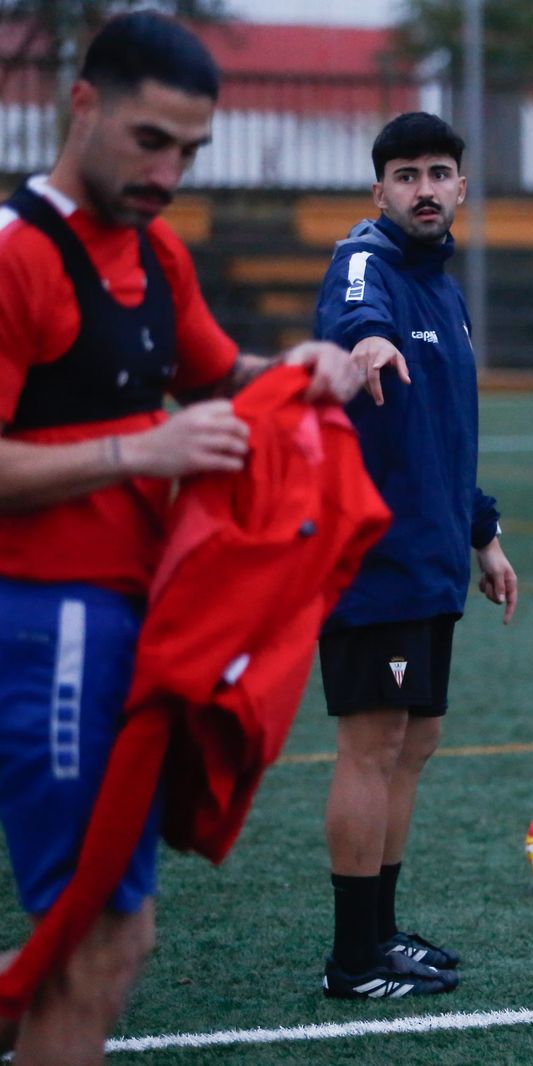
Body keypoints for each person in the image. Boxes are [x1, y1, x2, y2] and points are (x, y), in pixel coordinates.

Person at [0, 13, 361, 1063]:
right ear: (83, 104)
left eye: (189, 151)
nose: (169, 171)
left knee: (106, 939)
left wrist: (309, 362)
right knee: (98, 940)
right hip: (45, 631)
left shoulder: (155, 251)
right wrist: (135, 455)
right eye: (150, 140)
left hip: (132, 626)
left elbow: (220, 375)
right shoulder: (21, 256)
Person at [314, 111, 517, 1000]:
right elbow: (355, 307)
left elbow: (448, 434)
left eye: (439, 172)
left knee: (415, 742)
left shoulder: (443, 286)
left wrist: (484, 532)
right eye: (406, 175)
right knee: (373, 743)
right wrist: (366, 336)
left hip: (432, 553)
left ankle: (382, 934)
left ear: (462, 187)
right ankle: (353, 960)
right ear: (380, 192)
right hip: (374, 557)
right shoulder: (369, 261)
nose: (425, 188)